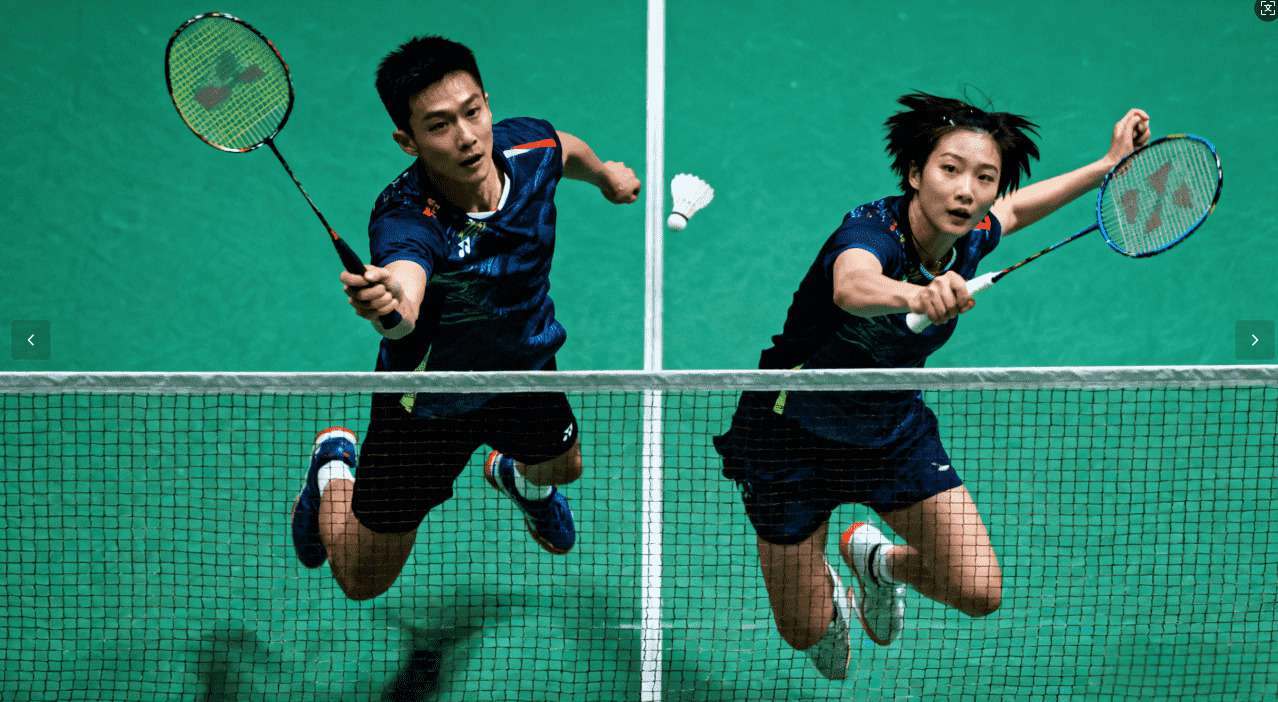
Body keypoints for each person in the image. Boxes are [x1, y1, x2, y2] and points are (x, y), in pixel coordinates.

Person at [714, 92, 1150, 679]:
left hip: (889, 430)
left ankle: (878, 564)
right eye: (950, 169)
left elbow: (1015, 212)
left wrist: (1105, 166)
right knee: (805, 633)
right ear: (915, 173)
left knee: (979, 590)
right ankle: (826, 602)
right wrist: (918, 295)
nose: (966, 191)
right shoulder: (871, 231)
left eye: (984, 178)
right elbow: (852, 285)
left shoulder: (969, 235)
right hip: (791, 433)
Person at [289, 35, 640, 601]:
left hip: (522, 372)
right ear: (407, 141)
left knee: (562, 467)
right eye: (439, 125)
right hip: (429, 404)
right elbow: (405, 288)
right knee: (360, 579)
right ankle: (332, 469)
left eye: (472, 112)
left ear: (487, 104)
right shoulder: (407, 218)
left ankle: (514, 478)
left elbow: (563, 148)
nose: (466, 136)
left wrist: (605, 177)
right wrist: (389, 304)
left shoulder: (529, 148)